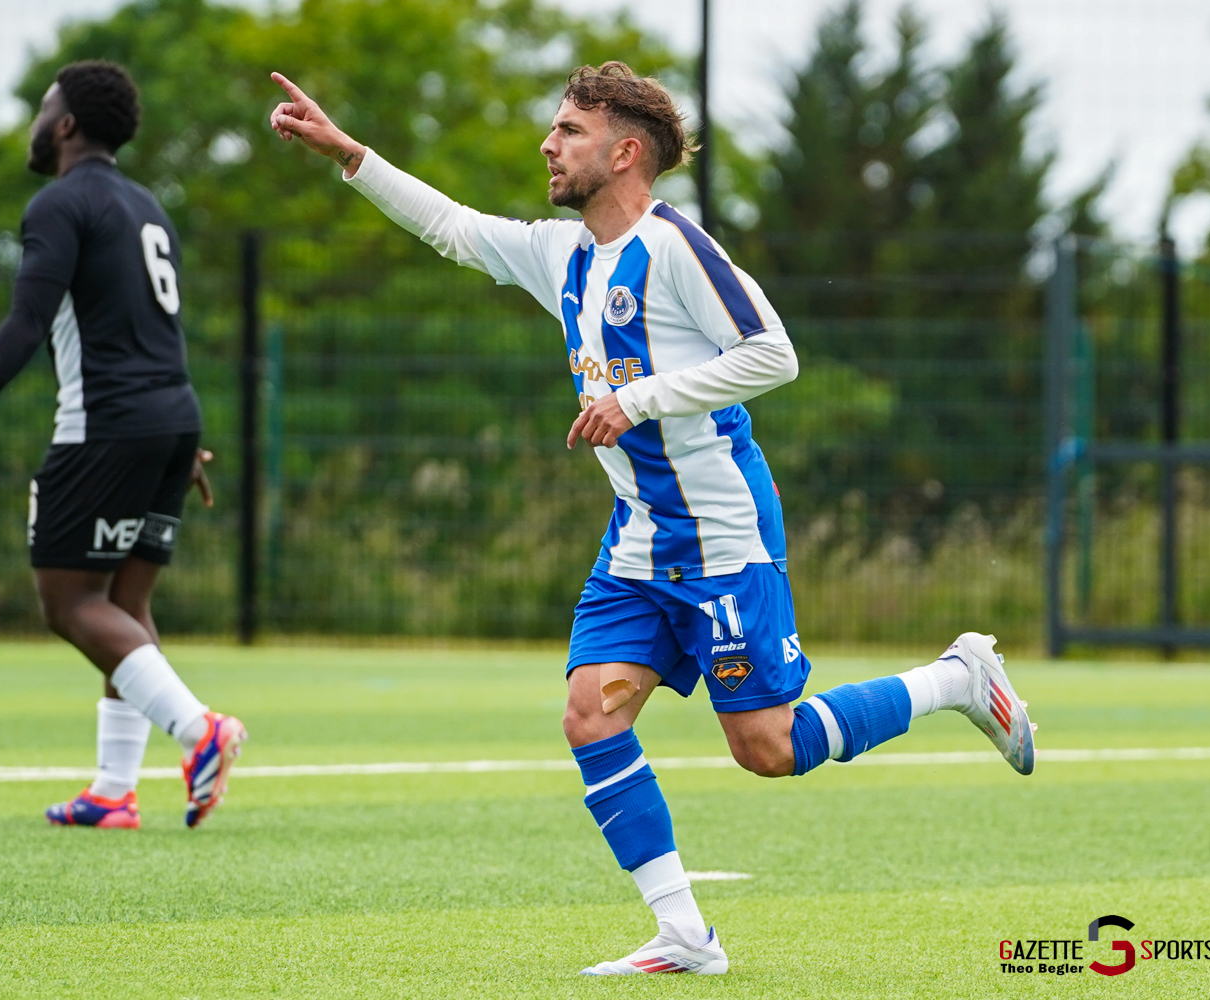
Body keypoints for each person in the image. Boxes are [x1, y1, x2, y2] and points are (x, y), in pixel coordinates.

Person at [269, 61, 1039, 974]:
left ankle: (956, 679)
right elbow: (452, 228)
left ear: (625, 151)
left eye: (568, 131)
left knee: (768, 748)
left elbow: (776, 354)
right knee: (590, 716)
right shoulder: (564, 254)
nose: (547, 145)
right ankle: (685, 935)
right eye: (553, 129)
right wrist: (349, 153)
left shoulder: (676, 248)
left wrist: (642, 399)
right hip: (638, 542)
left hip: (721, 540)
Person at [0, 60, 247, 831]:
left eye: (43, 106)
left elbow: (27, 320)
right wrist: (176, 443)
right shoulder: (148, 206)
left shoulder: (59, 204)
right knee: (126, 603)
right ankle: (112, 791)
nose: (36, 119)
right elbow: (153, 327)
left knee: (69, 603)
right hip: (170, 419)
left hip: (107, 425)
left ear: (64, 124)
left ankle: (201, 730)